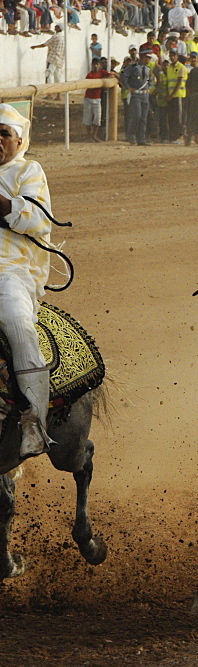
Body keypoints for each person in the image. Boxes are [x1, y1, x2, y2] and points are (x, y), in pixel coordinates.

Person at [0, 104, 56, 462]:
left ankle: (34, 419)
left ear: (19, 141)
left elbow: (35, 218)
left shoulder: (28, 170)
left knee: (16, 320)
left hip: (12, 270)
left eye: (3, 134)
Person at [121, 47, 153, 145]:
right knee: (137, 116)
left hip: (145, 95)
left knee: (143, 117)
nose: (149, 59)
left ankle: (141, 139)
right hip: (136, 95)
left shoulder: (147, 69)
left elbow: (151, 80)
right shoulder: (133, 67)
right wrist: (128, 87)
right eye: (148, 57)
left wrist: (150, 87)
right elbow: (123, 76)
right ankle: (131, 135)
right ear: (143, 57)